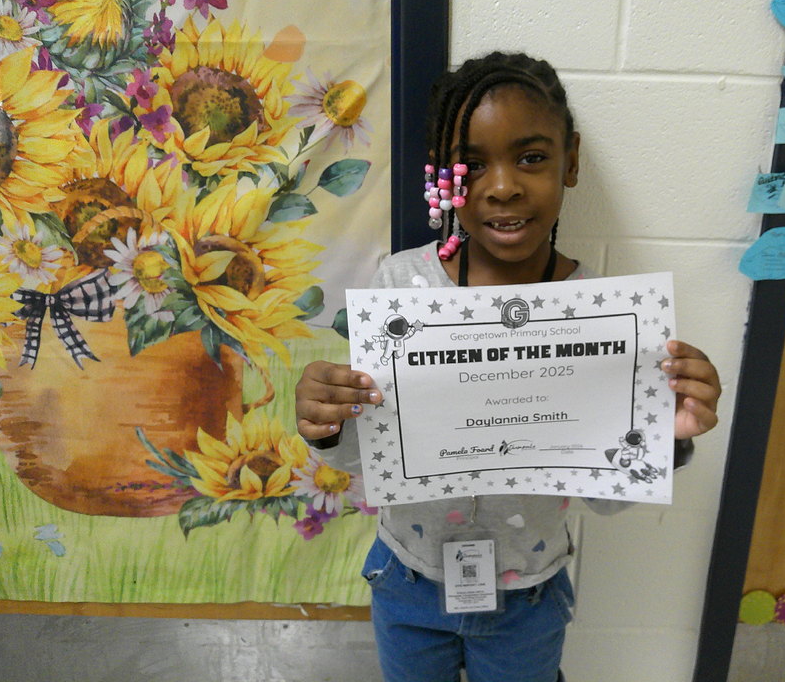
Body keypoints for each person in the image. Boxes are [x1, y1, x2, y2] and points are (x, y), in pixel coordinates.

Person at [294, 51, 721, 682]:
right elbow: (363, 458)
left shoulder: (604, 317)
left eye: (531, 157)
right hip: (408, 578)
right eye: (472, 163)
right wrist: (324, 427)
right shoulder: (401, 288)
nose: (502, 186)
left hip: (530, 595)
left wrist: (667, 442)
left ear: (569, 161)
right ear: (443, 174)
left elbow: (606, 504)